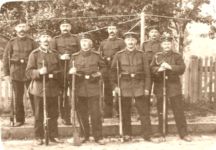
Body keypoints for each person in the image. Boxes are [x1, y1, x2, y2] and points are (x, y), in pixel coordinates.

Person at [111, 32, 152, 142]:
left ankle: (146, 135)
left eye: (133, 40)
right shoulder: (119, 55)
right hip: (124, 85)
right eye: (128, 40)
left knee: (144, 111)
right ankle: (127, 134)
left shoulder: (142, 54)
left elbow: (148, 73)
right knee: (125, 112)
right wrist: (115, 86)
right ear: (125, 41)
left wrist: (147, 88)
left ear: (136, 42)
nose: (130, 42)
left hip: (139, 85)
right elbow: (113, 72)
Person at [150, 33, 192, 142]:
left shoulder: (177, 56)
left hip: (173, 86)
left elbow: (182, 68)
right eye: (164, 43)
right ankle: (162, 131)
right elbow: (151, 68)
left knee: (178, 110)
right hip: (160, 85)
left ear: (171, 44)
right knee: (161, 110)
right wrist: (158, 70)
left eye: (168, 43)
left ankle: (183, 133)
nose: (167, 45)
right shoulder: (157, 55)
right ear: (161, 45)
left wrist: (170, 67)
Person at [69, 33, 106, 145]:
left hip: (93, 87)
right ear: (80, 44)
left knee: (96, 113)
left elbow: (104, 68)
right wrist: (71, 72)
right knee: (82, 113)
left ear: (91, 43)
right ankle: (84, 135)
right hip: (80, 88)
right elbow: (70, 71)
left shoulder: (96, 55)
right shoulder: (75, 56)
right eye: (83, 42)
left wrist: (99, 73)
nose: (85, 44)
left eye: (87, 42)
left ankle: (98, 136)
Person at [26, 30, 62, 145]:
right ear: (39, 40)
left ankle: (53, 135)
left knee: (54, 113)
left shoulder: (55, 54)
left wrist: (52, 74)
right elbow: (28, 72)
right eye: (43, 37)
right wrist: (39, 72)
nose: (46, 39)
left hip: (52, 88)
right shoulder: (34, 54)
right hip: (39, 88)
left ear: (50, 40)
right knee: (39, 114)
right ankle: (38, 137)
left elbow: (60, 71)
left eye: (47, 37)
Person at [3, 20, 37, 127]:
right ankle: (19, 119)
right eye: (19, 27)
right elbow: (5, 59)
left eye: (24, 26)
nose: (22, 29)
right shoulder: (11, 42)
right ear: (16, 29)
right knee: (17, 97)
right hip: (16, 73)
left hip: (29, 73)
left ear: (27, 29)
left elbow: (37, 56)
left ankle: (38, 118)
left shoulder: (32, 42)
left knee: (33, 95)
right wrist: (7, 74)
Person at [50, 19, 80, 125]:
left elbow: (80, 52)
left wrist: (72, 59)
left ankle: (78, 116)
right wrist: (60, 57)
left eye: (67, 25)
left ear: (70, 27)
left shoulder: (76, 38)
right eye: (63, 26)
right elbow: (51, 53)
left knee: (76, 92)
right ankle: (65, 117)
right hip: (61, 70)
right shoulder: (55, 40)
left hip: (74, 69)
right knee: (63, 95)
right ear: (60, 28)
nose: (65, 28)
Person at [98, 22, 125, 118]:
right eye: (110, 29)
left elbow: (123, 54)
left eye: (113, 28)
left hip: (117, 68)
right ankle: (108, 112)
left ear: (116, 30)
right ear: (107, 30)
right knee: (107, 90)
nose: (111, 31)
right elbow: (99, 56)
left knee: (118, 89)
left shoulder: (121, 42)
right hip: (106, 69)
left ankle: (119, 111)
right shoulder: (103, 43)